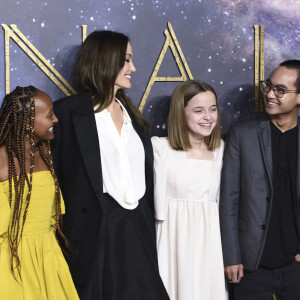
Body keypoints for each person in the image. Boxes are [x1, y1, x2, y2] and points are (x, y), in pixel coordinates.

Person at [51, 30, 169, 300]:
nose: (133, 68)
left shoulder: (134, 118)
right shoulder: (66, 114)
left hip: (137, 229)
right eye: (126, 60)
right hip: (94, 234)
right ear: (106, 60)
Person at [220, 59, 300, 300]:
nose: (270, 94)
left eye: (281, 90)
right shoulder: (242, 133)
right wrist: (232, 257)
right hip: (250, 266)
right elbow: (229, 200)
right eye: (269, 86)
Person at [0, 86, 79, 299]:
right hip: (13, 265)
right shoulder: (1, 164)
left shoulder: (44, 154)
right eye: (49, 115)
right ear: (27, 122)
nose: (56, 120)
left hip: (48, 258)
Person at [152, 80, 227, 300]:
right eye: (198, 110)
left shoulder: (222, 150)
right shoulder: (160, 149)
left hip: (209, 245)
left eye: (213, 109)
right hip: (171, 243)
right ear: (180, 113)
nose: (208, 117)